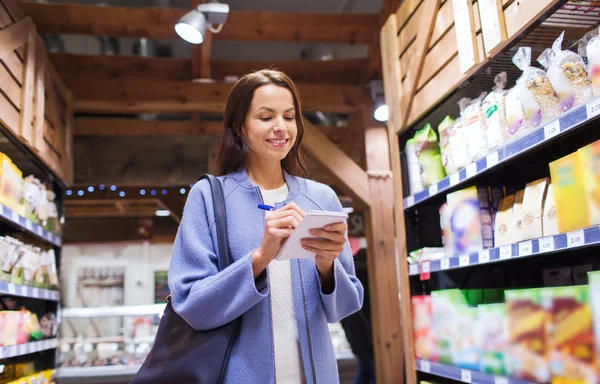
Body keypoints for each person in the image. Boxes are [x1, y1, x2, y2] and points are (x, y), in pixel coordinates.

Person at [168, 69, 364, 383]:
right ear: (239, 126)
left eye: (289, 116)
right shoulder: (207, 197)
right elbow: (191, 303)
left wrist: (327, 266)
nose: (281, 127)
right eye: (265, 116)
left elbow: (345, 306)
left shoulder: (321, 197)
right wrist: (260, 257)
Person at [340, 248, 375, 384]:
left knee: (365, 368)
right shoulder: (371, 275)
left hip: (354, 335)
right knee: (372, 370)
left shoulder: (350, 273)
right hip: (370, 335)